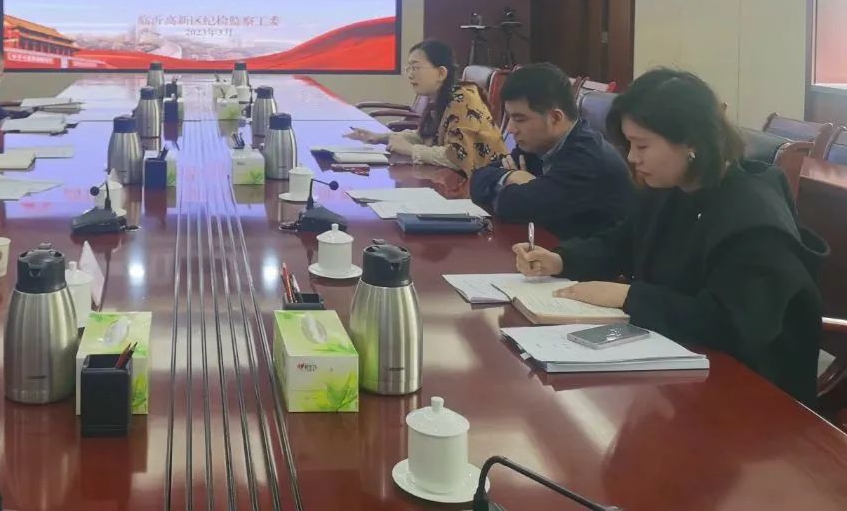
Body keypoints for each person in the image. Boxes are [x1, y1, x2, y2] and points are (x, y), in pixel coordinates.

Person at [513, 68, 827, 404]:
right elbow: (623, 241)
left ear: (691, 142)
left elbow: (731, 325)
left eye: (642, 145)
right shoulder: (672, 187)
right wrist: (560, 259)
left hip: (751, 395)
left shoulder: (752, 218)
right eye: (629, 145)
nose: (632, 158)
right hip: (678, 366)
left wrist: (628, 296)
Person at [470, 63, 635, 238]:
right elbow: (478, 179)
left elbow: (513, 207)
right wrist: (513, 176)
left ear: (555, 117)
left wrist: (517, 191)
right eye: (510, 117)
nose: (510, 129)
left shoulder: (586, 160)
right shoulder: (538, 144)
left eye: (520, 119)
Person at [345, 39, 506, 178]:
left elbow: (459, 157)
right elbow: (425, 136)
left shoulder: (464, 99)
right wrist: (380, 138)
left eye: (416, 68)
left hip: (484, 186)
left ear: (441, 73)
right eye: (409, 69)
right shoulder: (440, 99)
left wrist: (411, 150)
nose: (410, 75)